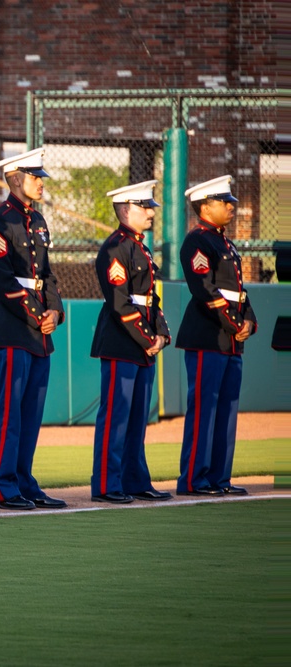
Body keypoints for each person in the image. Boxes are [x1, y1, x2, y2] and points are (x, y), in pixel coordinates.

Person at [0, 147, 66, 511]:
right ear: (15, 178)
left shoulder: (39, 221)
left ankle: (25, 481)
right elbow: (3, 280)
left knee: (31, 411)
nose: (40, 183)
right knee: (11, 410)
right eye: (34, 177)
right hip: (15, 326)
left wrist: (56, 312)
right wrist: (36, 315)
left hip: (39, 330)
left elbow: (46, 276)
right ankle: (3, 485)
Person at [90, 181, 173, 504]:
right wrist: (147, 338)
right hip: (122, 341)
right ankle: (107, 484)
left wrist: (161, 333)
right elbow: (120, 302)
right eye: (145, 206)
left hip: (143, 344)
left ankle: (135, 480)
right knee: (116, 416)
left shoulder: (140, 247)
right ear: (126, 210)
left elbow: (151, 298)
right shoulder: (116, 247)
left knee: (138, 416)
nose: (151, 212)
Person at [175, 175, 256, 496]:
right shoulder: (197, 241)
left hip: (230, 339)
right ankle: (194, 479)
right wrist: (235, 322)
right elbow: (205, 289)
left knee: (227, 409)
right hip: (208, 336)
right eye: (224, 201)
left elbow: (239, 290)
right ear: (205, 206)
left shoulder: (226, 243)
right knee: (205, 409)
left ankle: (219, 478)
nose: (230, 205)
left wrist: (249, 319)